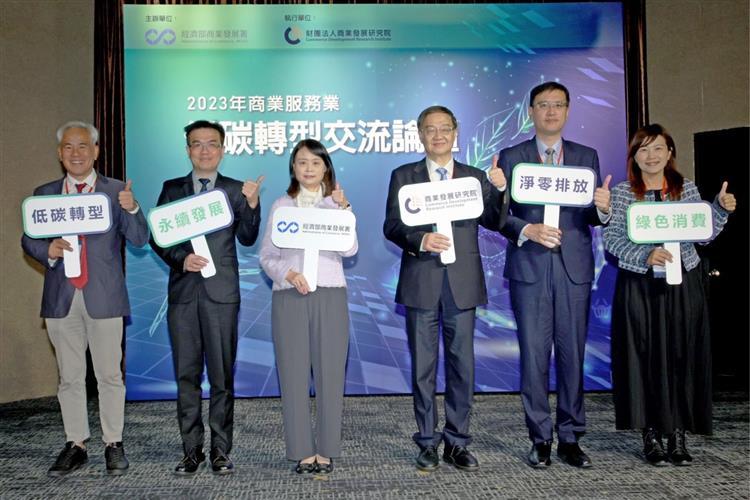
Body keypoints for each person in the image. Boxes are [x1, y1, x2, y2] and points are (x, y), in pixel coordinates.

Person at [383, 105, 508, 472]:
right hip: (421, 282)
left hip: (462, 284)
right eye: (430, 129)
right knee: (423, 367)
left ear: (456, 133)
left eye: (444, 128)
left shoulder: (474, 177)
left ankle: (457, 441)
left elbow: (494, 220)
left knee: (462, 366)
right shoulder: (404, 175)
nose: (438, 135)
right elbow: (392, 225)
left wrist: (500, 190)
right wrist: (419, 240)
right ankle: (426, 441)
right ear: (420, 135)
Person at [21, 121, 149, 477]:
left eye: (83, 146)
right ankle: (75, 443)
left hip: (104, 297)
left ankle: (113, 443)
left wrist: (133, 208)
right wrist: (46, 249)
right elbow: (28, 239)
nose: (75, 153)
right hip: (61, 297)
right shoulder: (45, 194)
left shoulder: (116, 191)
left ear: (96, 151)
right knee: (69, 376)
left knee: (109, 375)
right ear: (59, 153)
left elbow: (140, 238)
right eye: (68, 147)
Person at [603, 124, 735, 466]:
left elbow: (703, 234)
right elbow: (612, 240)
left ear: (670, 152)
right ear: (634, 157)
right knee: (643, 358)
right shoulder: (622, 193)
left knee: (681, 355)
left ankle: (677, 434)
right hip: (639, 285)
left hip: (683, 284)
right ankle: (650, 435)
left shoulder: (685, 188)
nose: (652, 156)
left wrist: (719, 210)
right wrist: (644, 255)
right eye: (643, 149)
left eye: (658, 148)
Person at [497, 82, 612, 468]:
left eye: (558, 105)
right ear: (531, 111)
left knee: (571, 353)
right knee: (533, 355)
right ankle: (540, 437)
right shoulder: (512, 157)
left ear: (567, 110)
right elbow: (498, 215)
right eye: (543, 105)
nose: (550, 111)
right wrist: (525, 229)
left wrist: (604, 207)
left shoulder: (585, 156)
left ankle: (571, 436)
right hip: (529, 267)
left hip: (573, 268)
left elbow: (591, 216)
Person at [150, 120, 262, 476]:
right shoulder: (172, 189)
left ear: (222, 149)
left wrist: (252, 204)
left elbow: (247, 237)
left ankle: (220, 449)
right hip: (184, 294)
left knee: (221, 377)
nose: (204, 150)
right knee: (186, 376)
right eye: (197, 144)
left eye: (212, 143)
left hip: (221, 295)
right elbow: (158, 237)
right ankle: (191, 450)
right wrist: (181, 258)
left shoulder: (235, 190)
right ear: (187, 150)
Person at [259, 139, 357, 475]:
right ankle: (301, 450)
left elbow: (350, 250)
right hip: (289, 296)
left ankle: (327, 449)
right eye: (302, 162)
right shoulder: (282, 205)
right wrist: (288, 273)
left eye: (316, 162)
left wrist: (344, 210)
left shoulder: (336, 204)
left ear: (326, 167)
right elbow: (266, 256)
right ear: (293, 168)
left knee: (331, 374)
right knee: (292, 373)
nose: (309, 168)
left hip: (330, 295)